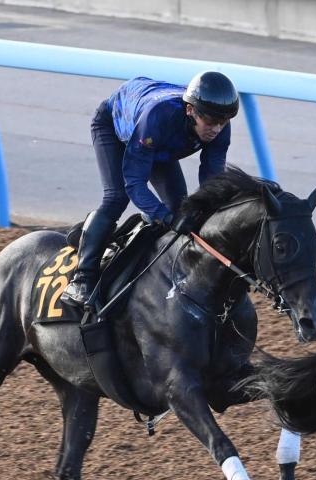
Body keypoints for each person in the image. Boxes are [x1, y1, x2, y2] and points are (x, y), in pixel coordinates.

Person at [62, 71, 240, 306]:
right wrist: (164, 216)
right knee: (117, 197)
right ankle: (82, 280)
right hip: (117, 126)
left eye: (223, 122)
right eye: (210, 121)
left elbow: (212, 180)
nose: (216, 129)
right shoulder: (158, 117)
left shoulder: (217, 125)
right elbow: (134, 182)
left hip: (159, 141)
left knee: (180, 208)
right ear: (190, 110)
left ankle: (127, 247)